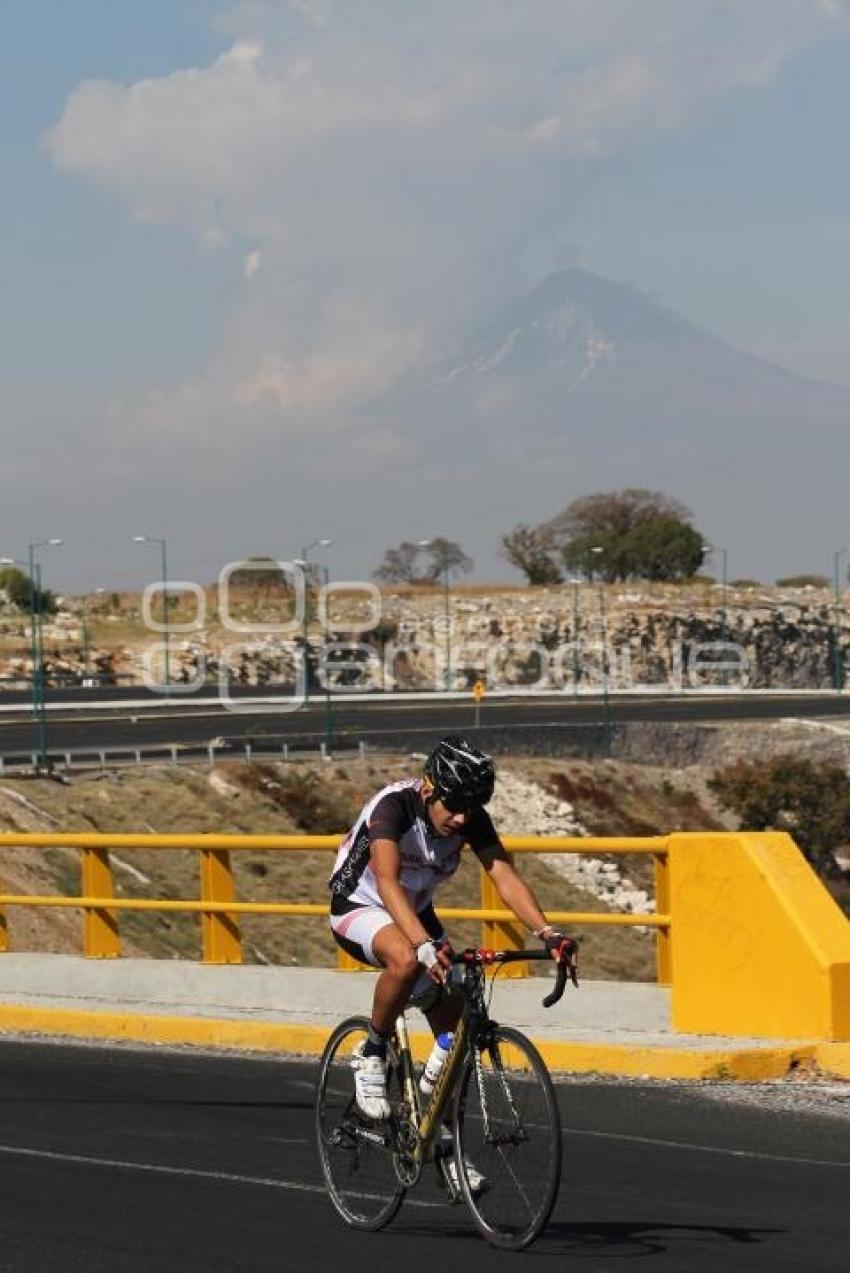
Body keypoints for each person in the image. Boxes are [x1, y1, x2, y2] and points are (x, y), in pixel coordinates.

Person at [328, 735, 577, 1137]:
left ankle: (444, 1146)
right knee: (408, 959)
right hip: (361, 903)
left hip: (414, 909)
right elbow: (388, 883)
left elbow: (503, 874)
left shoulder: (470, 818)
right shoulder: (393, 807)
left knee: (458, 1024)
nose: (462, 818)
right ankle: (371, 1050)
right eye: (455, 805)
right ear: (429, 789)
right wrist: (422, 944)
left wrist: (548, 932)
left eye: (472, 808)